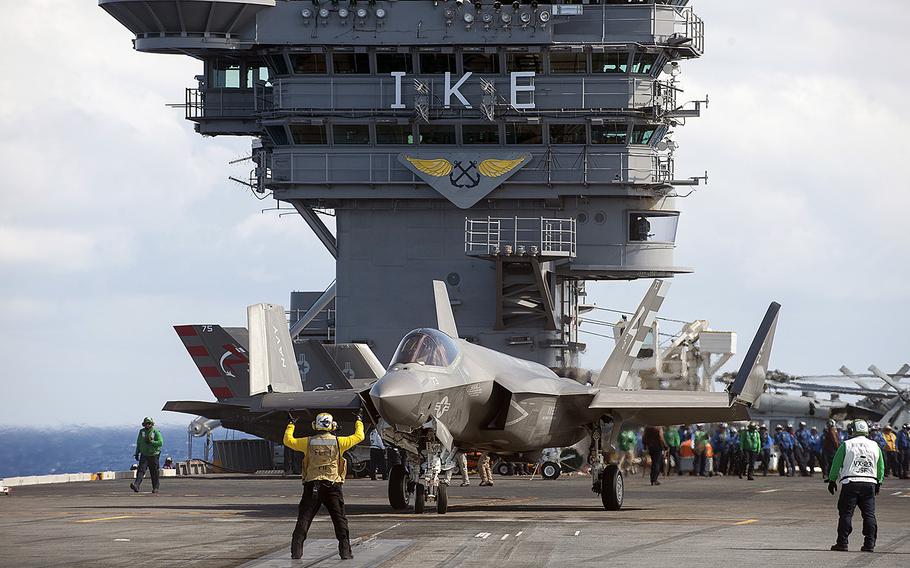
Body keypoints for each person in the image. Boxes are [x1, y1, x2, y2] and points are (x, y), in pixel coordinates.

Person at [283, 410, 365, 560]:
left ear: (315, 425)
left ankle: (296, 552)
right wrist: (359, 421)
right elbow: (359, 436)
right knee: (339, 519)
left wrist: (290, 425)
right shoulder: (340, 442)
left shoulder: (307, 442)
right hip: (332, 485)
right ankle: (345, 552)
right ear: (332, 426)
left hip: (312, 485)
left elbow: (288, 441)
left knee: (304, 518)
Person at [827, 419, 884, 552]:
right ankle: (869, 544)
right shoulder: (875, 445)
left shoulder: (847, 445)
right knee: (869, 515)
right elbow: (881, 466)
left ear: (853, 430)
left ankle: (842, 543)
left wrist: (832, 480)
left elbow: (836, 463)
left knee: (846, 514)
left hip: (851, 482)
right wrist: (879, 482)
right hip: (869, 483)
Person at [130, 417, 163, 494]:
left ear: (151, 424)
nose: (147, 425)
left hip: (154, 455)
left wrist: (152, 442)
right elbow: (139, 443)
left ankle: (155, 487)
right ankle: (136, 485)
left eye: (149, 423)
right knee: (141, 470)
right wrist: (137, 453)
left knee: (154, 472)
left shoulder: (156, 432)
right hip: (144, 454)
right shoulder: (142, 432)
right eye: (146, 424)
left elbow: (160, 443)